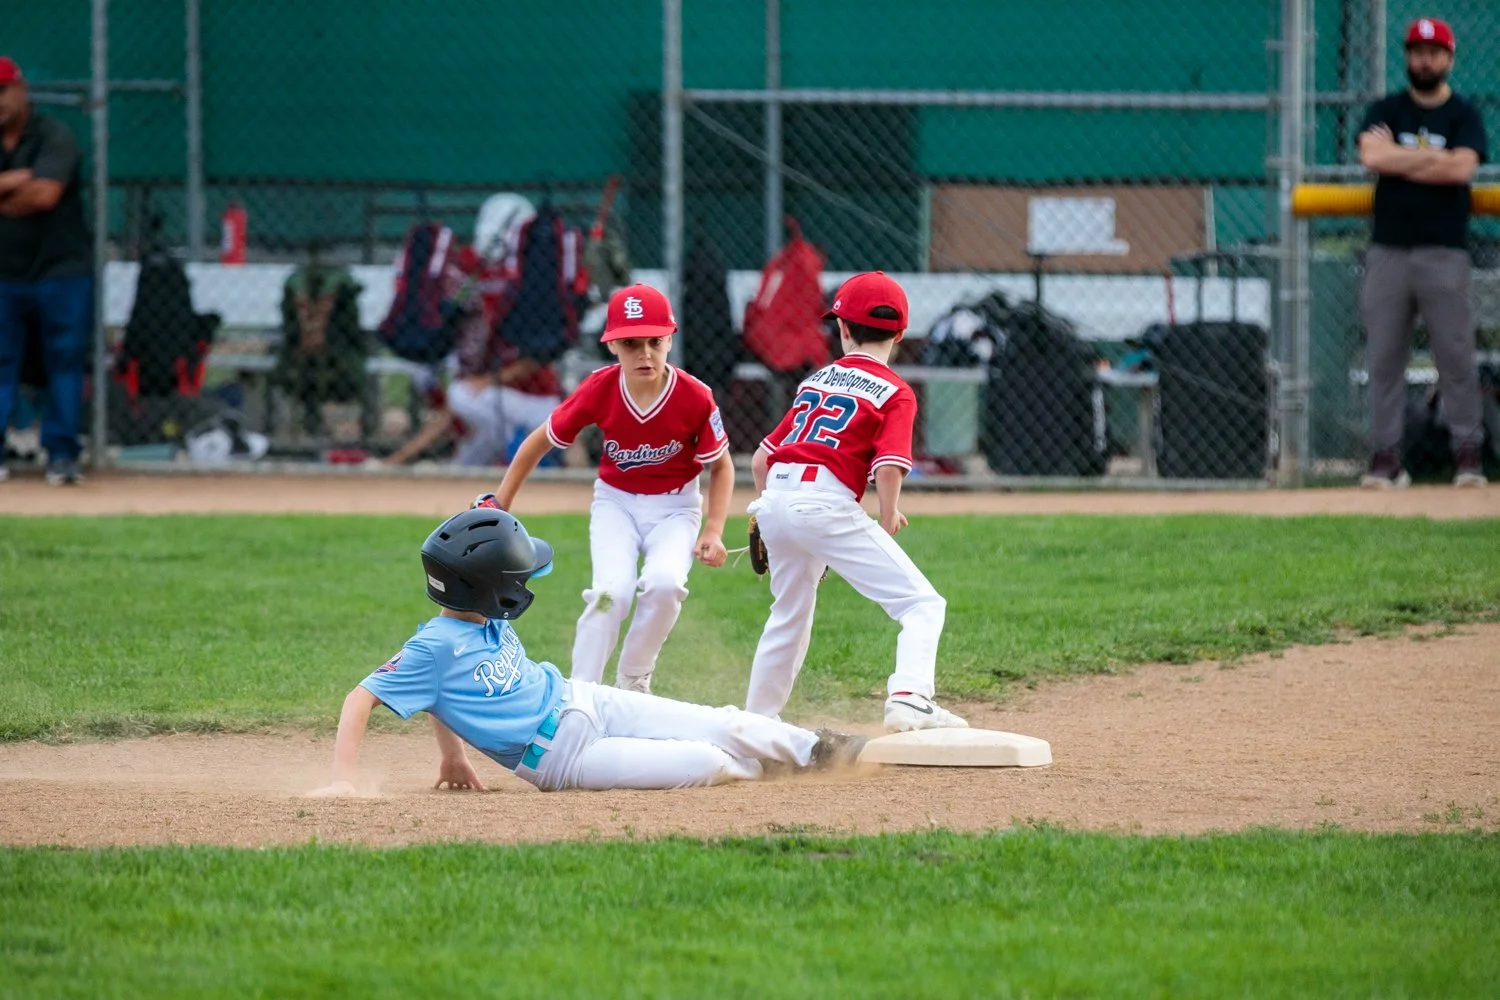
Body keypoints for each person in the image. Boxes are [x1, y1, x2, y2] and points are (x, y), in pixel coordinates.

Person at [306, 506, 865, 796]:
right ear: (489, 586)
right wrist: (343, 781)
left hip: (584, 699)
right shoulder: (433, 645)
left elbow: (436, 698)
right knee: (706, 761)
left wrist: (450, 755)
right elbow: (363, 697)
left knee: (721, 722)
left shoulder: (479, 617)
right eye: (519, 574)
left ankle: (818, 748)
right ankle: (767, 767)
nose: (528, 581)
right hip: (561, 760)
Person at [743, 271, 967, 733]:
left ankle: (757, 723)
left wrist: (777, 516)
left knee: (788, 613)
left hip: (776, 499)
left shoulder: (817, 378)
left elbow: (762, 458)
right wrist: (888, 514)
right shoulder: (896, 391)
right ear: (900, 334)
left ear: (842, 330)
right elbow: (888, 465)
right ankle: (909, 696)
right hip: (824, 505)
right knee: (922, 604)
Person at [491, 284, 734, 695]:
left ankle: (633, 679)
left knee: (665, 584)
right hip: (616, 504)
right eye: (630, 343)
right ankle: (579, 692)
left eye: (655, 341)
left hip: (676, 507)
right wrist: (501, 503)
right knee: (609, 594)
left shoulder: (695, 396)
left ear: (670, 339)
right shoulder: (600, 388)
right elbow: (540, 440)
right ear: (613, 347)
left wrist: (713, 528)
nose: (644, 353)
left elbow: (722, 466)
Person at [1357, 17, 1489, 489]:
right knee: (1385, 356)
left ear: (1449, 58)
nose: (1425, 59)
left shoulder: (1463, 114)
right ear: (1407, 57)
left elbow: (1462, 169)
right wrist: (1435, 158)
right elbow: (1372, 157)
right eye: (1417, 51)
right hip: (1389, 249)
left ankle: (1468, 455)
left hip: (1443, 251)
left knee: (1454, 354)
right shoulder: (1386, 107)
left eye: (1434, 52)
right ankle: (1387, 457)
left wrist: (1404, 160)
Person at [0, 57, 93, 485]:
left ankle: (61, 454)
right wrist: (17, 178)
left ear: (21, 90)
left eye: (3, 92)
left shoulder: (55, 135)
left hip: (61, 270)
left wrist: (19, 189)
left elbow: (45, 194)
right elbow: (30, 186)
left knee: (65, 360)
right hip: (5, 272)